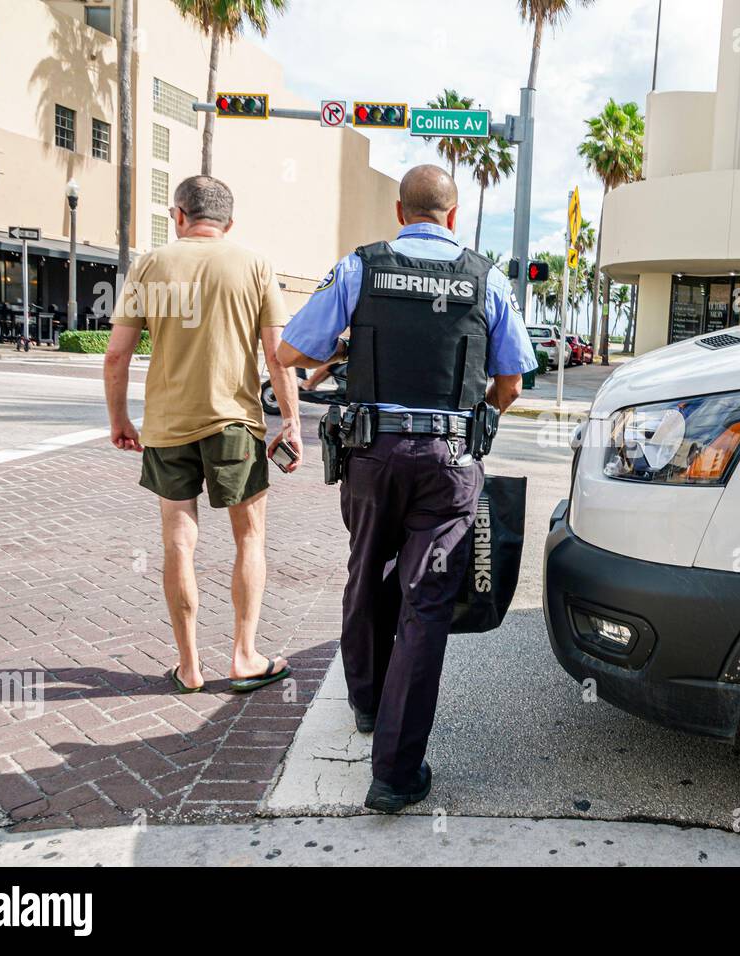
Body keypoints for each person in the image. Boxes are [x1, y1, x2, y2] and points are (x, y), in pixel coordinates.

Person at [278, 164, 536, 812]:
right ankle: (394, 773)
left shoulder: (360, 266)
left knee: (365, 573)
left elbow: (289, 353)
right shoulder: (487, 277)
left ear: (400, 213)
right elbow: (511, 383)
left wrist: (341, 351)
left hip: (371, 454)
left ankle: (365, 704)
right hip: (449, 462)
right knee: (425, 604)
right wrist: (483, 419)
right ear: (452, 216)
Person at [103, 175, 301, 696]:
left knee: (178, 542)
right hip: (234, 422)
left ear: (179, 216)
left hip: (167, 427)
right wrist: (292, 422)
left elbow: (116, 353)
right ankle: (243, 656)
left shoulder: (149, 264)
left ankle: (188, 666)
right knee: (250, 537)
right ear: (229, 223)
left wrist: (120, 419)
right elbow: (278, 357)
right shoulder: (254, 264)